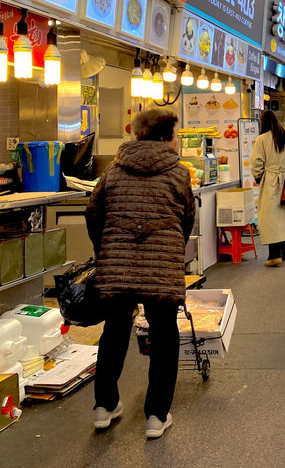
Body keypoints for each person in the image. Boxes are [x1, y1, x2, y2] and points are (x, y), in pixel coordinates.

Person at [85, 108, 195, 439]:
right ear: (165, 136)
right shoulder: (177, 173)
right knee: (164, 335)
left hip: (117, 266)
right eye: (174, 133)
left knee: (115, 330)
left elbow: (93, 212)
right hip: (161, 268)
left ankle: (104, 406)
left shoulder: (114, 171)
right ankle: (156, 417)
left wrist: (104, 250)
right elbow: (187, 219)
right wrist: (173, 250)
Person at [251, 110, 285, 266]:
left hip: (270, 182)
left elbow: (257, 163)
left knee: (270, 219)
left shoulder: (262, 140)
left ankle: (274, 255)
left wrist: (259, 177)